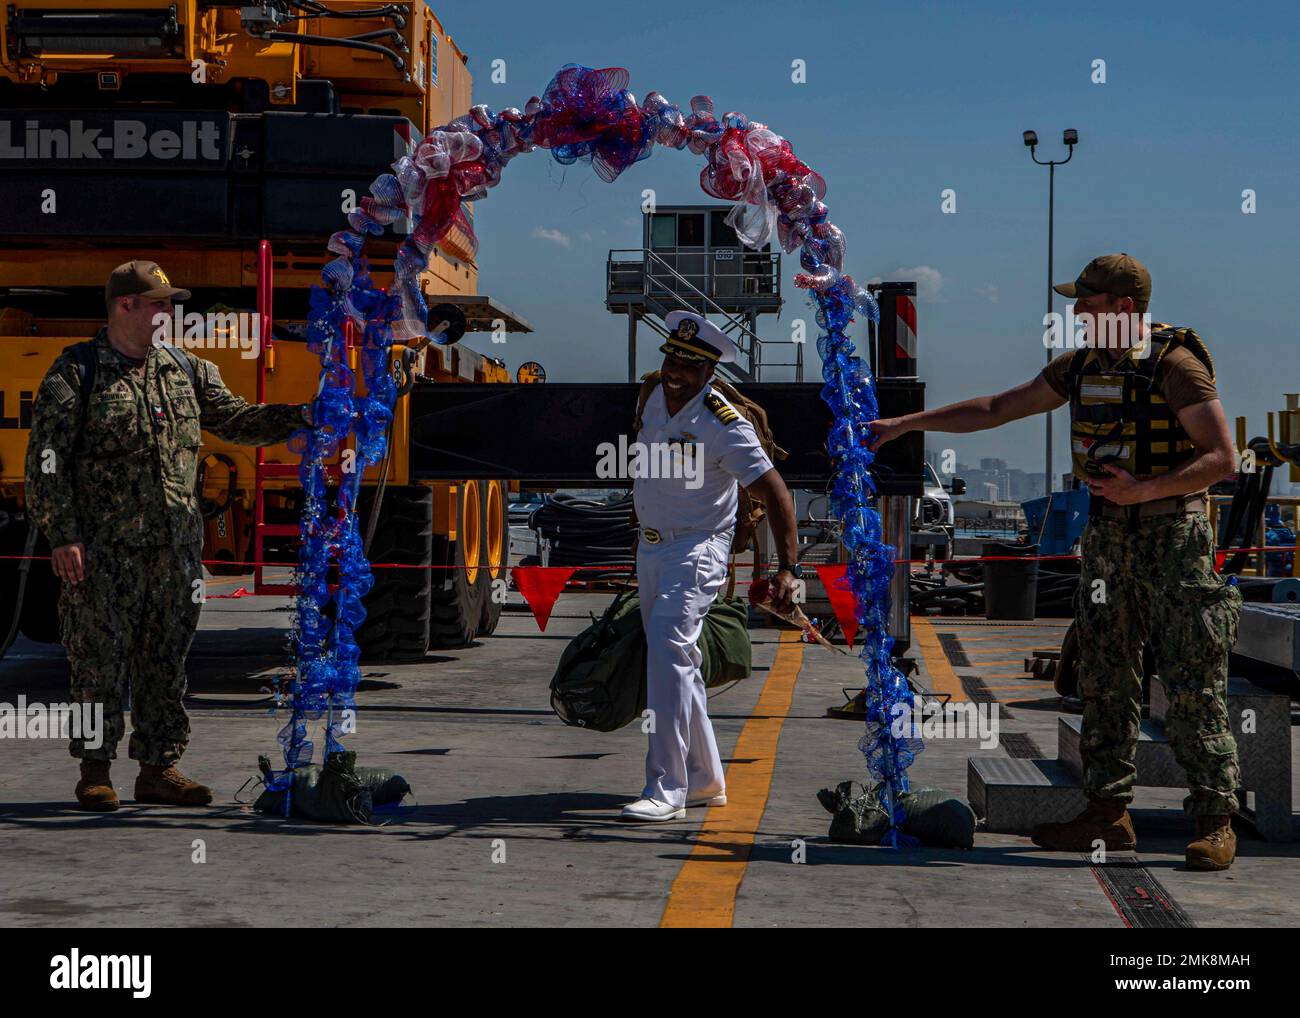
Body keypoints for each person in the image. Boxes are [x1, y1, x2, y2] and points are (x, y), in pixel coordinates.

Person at [868, 254, 1242, 870]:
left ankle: (1214, 819)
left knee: (1193, 681)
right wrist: (904, 424)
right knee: (1104, 678)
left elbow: (1223, 458)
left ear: (1124, 306)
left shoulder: (1176, 368)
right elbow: (995, 409)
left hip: (1175, 539)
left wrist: (1143, 491)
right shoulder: (1078, 367)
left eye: (1087, 302)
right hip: (1107, 541)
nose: (1076, 312)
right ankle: (1107, 814)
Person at [24, 260, 312, 812]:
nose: (169, 313)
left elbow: (235, 420)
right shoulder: (75, 373)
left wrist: (299, 415)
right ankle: (94, 771)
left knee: (165, 661)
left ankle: (159, 768)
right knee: (96, 663)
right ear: (125, 306)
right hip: (101, 555)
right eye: (158, 303)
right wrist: (63, 536)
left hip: (175, 554)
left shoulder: (185, 369)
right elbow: (47, 462)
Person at [620, 310, 801, 822]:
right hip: (651, 549)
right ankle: (704, 780)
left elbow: (777, 494)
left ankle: (666, 789)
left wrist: (789, 569)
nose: (676, 370)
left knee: (670, 649)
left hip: (698, 549)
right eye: (673, 357)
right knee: (679, 661)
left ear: (709, 372)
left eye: (690, 364)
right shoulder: (652, 396)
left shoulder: (724, 423)